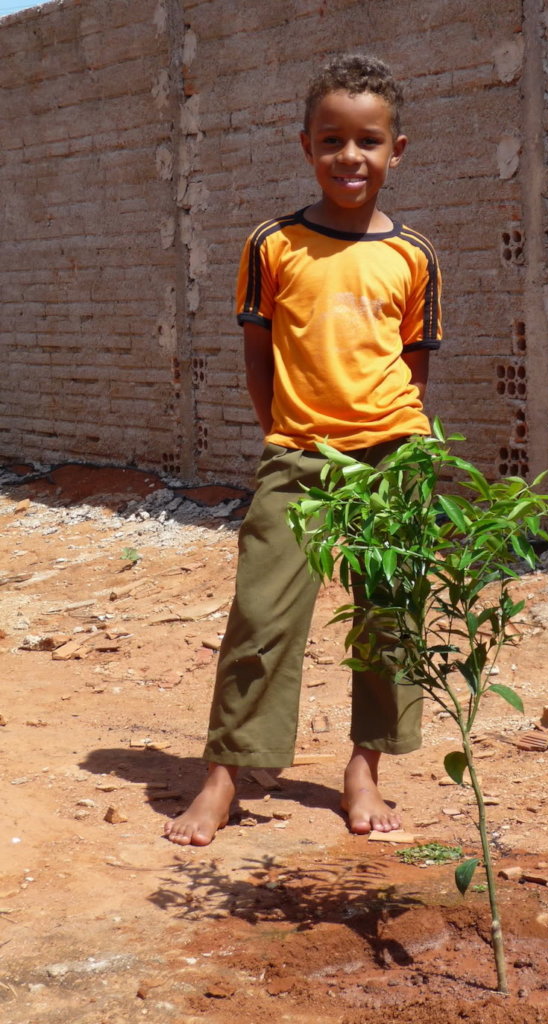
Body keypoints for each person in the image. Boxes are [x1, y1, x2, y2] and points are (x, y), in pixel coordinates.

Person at [164, 53, 442, 846]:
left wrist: (401, 446)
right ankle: (226, 776)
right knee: (261, 615)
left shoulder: (415, 255)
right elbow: (258, 358)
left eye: (368, 141)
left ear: (396, 150)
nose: (349, 157)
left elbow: (414, 368)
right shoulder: (274, 245)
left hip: (393, 455)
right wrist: (285, 433)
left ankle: (364, 769)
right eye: (331, 140)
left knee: (390, 617)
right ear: (306, 147)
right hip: (298, 455)